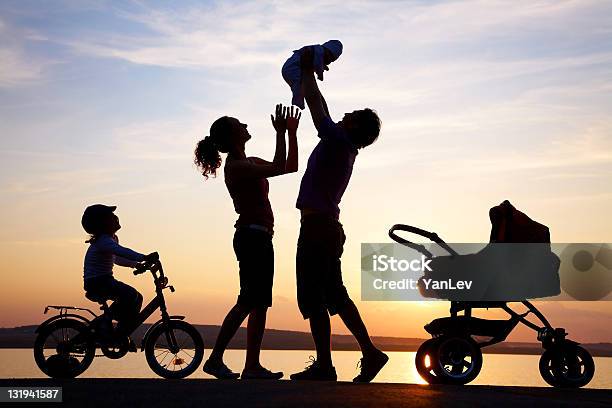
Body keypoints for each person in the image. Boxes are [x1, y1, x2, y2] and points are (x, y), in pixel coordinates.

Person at [289, 47, 388, 383]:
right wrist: (308, 74)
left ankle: (334, 363)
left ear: (355, 127)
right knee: (330, 295)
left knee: (320, 298)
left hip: (318, 229)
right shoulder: (343, 144)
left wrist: (306, 70)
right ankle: (358, 356)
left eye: (354, 114)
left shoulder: (338, 141)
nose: (347, 114)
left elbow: (318, 108)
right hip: (324, 227)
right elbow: (324, 109)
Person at [195, 104, 301, 380]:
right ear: (232, 136)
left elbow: (290, 167)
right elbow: (280, 165)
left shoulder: (249, 161)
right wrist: (281, 132)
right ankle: (216, 359)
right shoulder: (239, 166)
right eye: (238, 123)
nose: (244, 124)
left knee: (259, 304)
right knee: (247, 301)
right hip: (251, 236)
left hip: (261, 237)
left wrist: (292, 133)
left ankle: (251, 365)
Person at [81, 204, 157, 340]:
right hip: (98, 282)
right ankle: (111, 327)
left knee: (137, 297)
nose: (115, 218)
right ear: (103, 223)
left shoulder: (111, 239)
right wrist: (143, 257)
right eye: (111, 216)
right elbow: (122, 251)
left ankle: (119, 330)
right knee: (131, 295)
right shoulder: (103, 240)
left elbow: (117, 258)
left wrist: (136, 265)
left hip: (103, 280)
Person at [282, 40, 343, 109]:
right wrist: (320, 74)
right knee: (297, 85)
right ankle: (298, 100)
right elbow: (318, 64)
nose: (329, 61)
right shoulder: (318, 51)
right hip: (291, 68)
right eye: (330, 58)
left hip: (292, 68)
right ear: (327, 51)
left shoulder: (317, 51)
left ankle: (299, 99)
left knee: (299, 85)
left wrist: (322, 67)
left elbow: (317, 63)